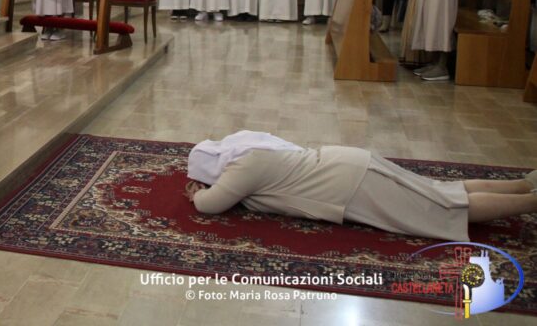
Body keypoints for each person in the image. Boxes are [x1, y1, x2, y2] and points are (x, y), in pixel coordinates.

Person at [185, 130, 537, 243]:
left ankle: (532, 201)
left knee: (444, 209)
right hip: (348, 162)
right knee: (440, 189)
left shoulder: (241, 169)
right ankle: (524, 185)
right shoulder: (248, 145)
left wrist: (196, 193)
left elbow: (210, 205)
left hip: (349, 185)